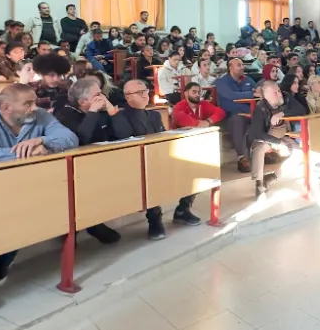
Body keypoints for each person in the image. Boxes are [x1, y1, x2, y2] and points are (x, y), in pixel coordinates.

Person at [111, 80, 201, 239]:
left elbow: (164, 137)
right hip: (137, 162)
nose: (145, 95)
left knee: (195, 166)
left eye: (145, 91)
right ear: (127, 97)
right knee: (149, 175)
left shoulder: (153, 114)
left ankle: (182, 210)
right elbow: (125, 139)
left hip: (160, 156)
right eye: (139, 93)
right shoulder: (120, 116)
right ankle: (154, 218)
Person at [51, 77, 126, 244]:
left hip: (98, 164)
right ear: (83, 101)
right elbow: (79, 140)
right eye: (98, 94)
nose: (103, 97)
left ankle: (93, 224)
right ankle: (74, 232)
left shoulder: (99, 111)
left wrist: (112, 110)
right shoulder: (65, 115)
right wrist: (92, 112)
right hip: (70, 169)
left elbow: (123, 135)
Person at [0, 83, 77, 165]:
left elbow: (70, 138)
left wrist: (41, 140)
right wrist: (26, 152)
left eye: (35, 102)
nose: (35, 108)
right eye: (28, 104)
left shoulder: (40, 114)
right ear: (6, 107)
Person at [248, 80, 298, 197]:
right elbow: (258, 133)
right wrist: (278, 143)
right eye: (275, 93)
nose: (279, 94)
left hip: (284, 137)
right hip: (267, 139)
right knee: (259, 148)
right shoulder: (261, 108)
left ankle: (272, 177)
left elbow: (301, 109)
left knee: (301, 153)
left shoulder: (286, 98)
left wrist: (282, 113)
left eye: (279, 90)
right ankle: (259, 183)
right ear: (267, 95)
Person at [216, 58, 260, 172]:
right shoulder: (221, 82)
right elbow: (232, 96)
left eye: (242, 65)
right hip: (230, 117)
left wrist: (254, 94)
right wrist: (251, 94)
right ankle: (242, 157)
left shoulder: (248, 79)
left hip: (249, 113)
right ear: (230, 67)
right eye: (239, 65)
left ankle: (266, 150)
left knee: (263, 116)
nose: (242, 67)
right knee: (238, 119)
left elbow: (259, 93)